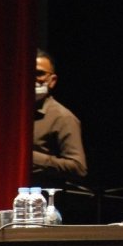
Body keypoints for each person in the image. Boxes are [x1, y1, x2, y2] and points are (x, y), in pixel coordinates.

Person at [33, 49, 87, 185]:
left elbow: (78, 167)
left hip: (40, 193)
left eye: (39, 74)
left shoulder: (62, 118)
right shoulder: (8, 112)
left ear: (52, 80)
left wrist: (31, 157)